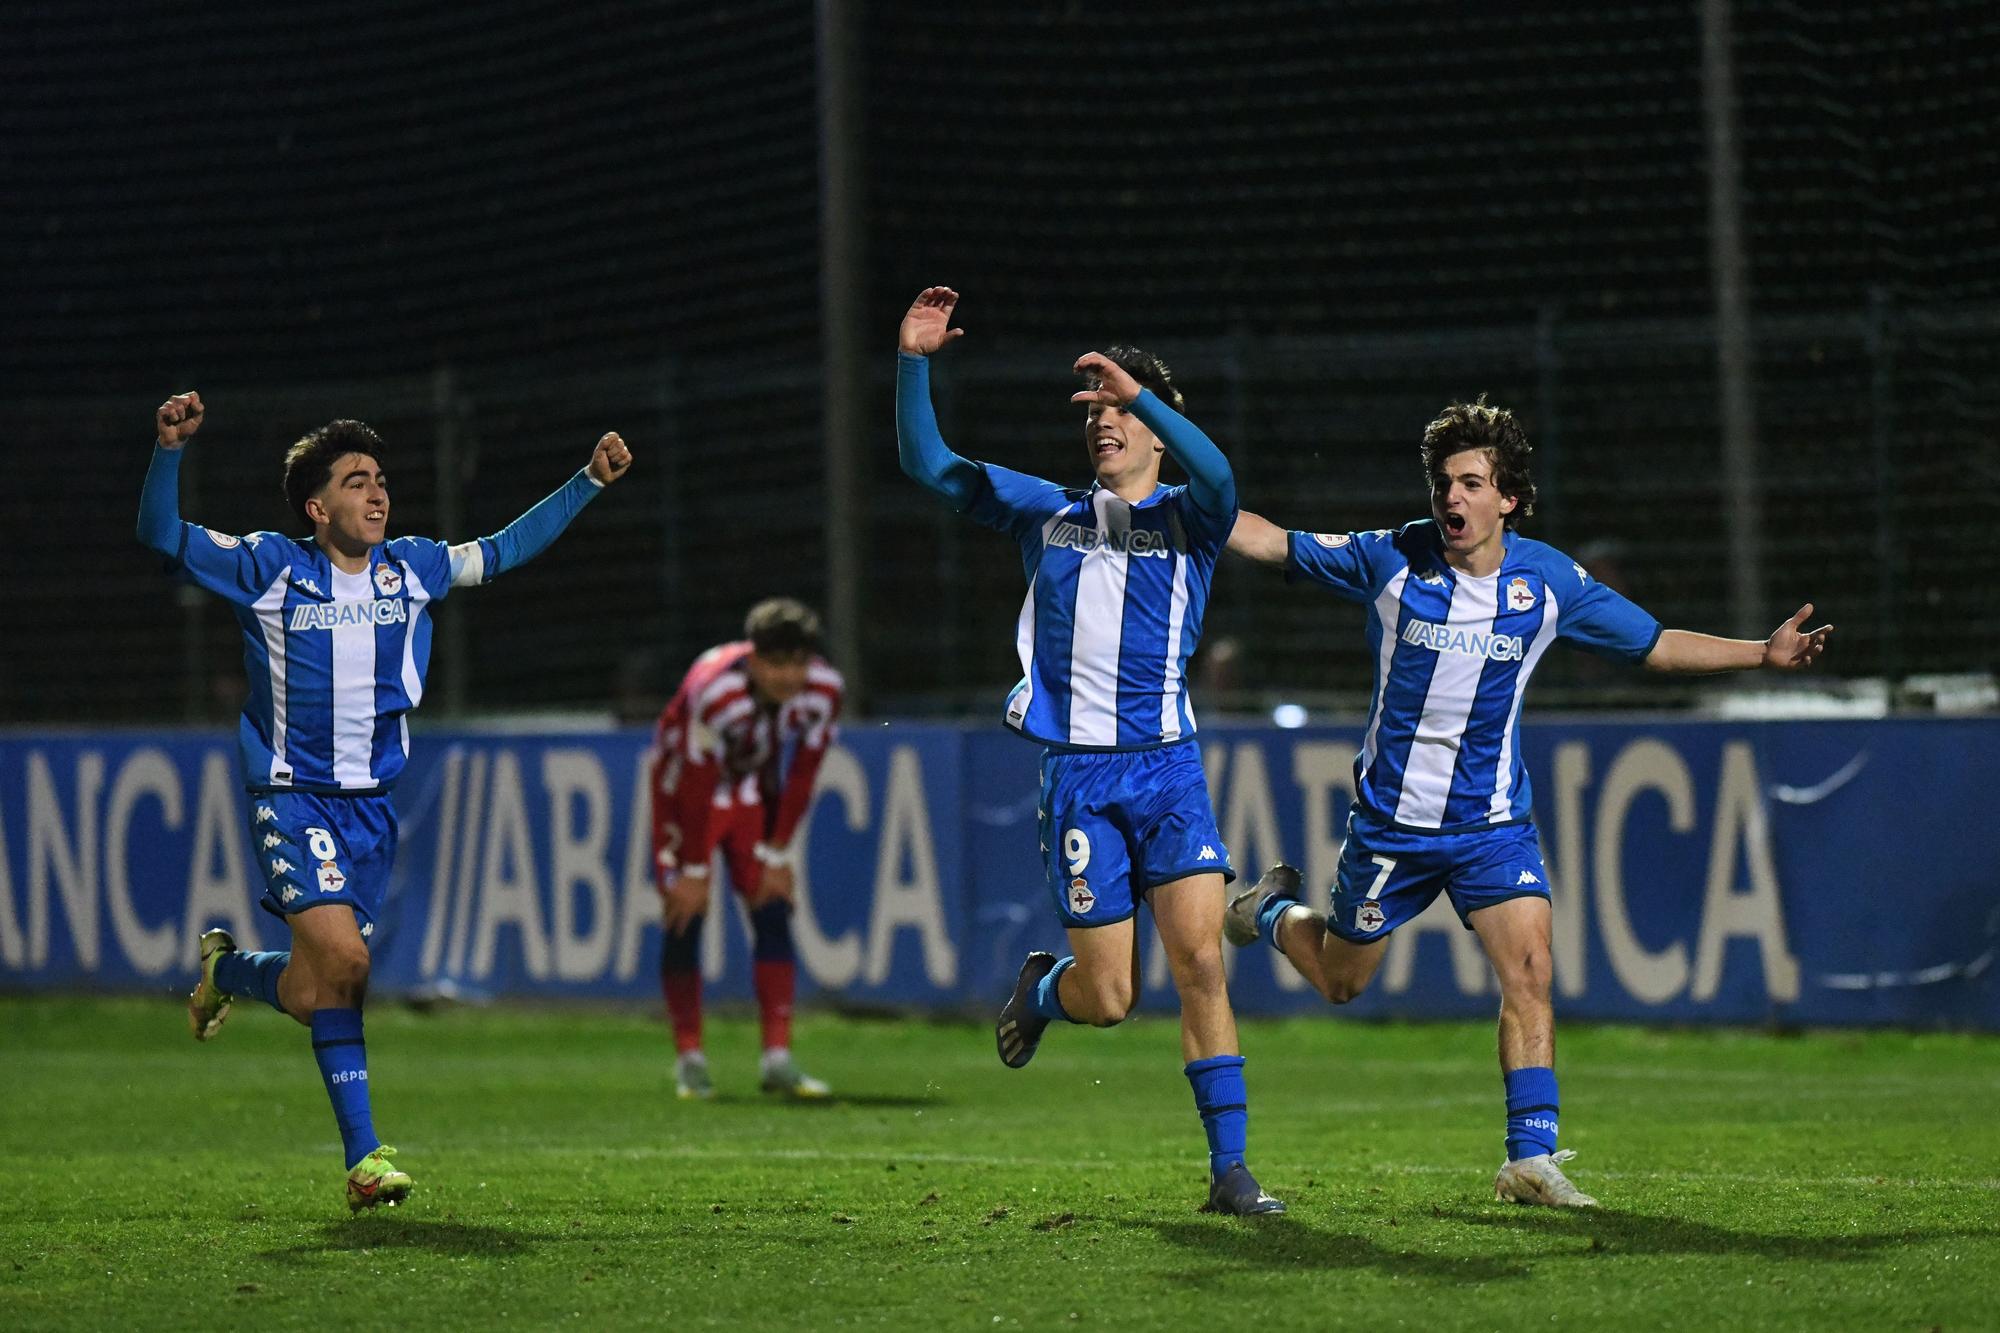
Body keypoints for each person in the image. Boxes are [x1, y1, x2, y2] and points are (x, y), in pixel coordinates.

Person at [1222, 396, 1832, 1208]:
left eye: (1472, 482)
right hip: (1393, 828)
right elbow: (1271, 539)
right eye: (1445, 482)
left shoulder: (1547, 581)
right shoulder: (1393, 558)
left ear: (1507, 497)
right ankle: (1268, 911)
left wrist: (1761, 650)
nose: (1452, 498)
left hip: (1492, 824)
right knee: (1342, 981)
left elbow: (1653, 643)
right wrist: (1181, 498)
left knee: (1532, 967)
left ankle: (1529, 1157)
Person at [143, 391, 633, 1211]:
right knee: (349, 963)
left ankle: (224, 969)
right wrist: (168, 451)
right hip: (294, 796)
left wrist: (586, 480)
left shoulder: (412, 567)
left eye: (381, 479)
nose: (377, 494)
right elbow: (161, 536)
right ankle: (365, 1158)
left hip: (372, 808)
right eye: (356, 480)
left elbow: (506, 548)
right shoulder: (270, 567)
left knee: (313, 990)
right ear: (316, 505)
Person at [895, 286, 1284, 1217]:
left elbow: (1224, 477)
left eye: (1121, 412)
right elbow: (929, 464)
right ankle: (1042, 993)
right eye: (1097, 413)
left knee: (1200, 961)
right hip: (1079, 777)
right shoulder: (1047, 512)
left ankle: (1230, 1171)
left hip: (1169, 768)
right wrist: (914, 364)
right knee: (1112, 998)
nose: (1104, 424)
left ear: (1156, 431)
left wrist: (1139, 393)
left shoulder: (1194, 516)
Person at [648, 598, 844, 1100]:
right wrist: (692, 868)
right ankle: (690, 1060)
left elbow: (802, 771)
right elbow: (694, 779)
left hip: (748, 787)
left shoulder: (823, 692)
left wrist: (778, 853)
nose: (788, 676)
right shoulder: (715, 692)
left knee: (772, 903)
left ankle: (777, 1058)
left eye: (798, 662)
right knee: (684, 914)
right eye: (777, 663)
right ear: (753, 659)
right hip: (683, 791)